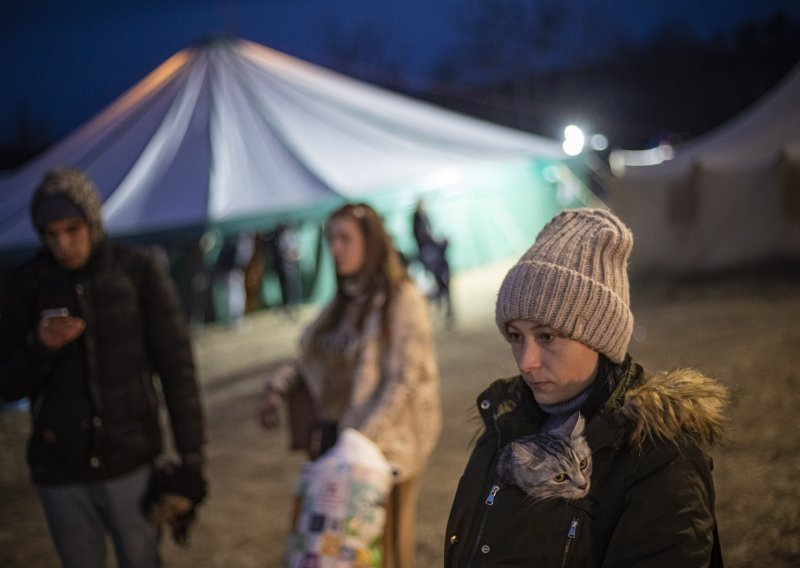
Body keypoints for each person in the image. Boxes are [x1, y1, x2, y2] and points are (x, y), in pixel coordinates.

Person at [444, 208, 729, 567]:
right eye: (516, 336)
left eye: (547, 336)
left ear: (601, 339)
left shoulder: (659, 459)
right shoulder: (505, 426)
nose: (525, 361)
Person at [0, 167, 208, 568]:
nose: (64, 243)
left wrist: (191, 459)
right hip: (60, 467)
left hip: (130, 462)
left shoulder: (137, 270)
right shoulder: (27, 283)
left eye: (72, 229)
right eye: (51, 233)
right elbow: (8, 385)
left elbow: (177, 367)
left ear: (92, 220)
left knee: (142, 559)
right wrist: (39, 345)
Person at [258, 202, 442, 567]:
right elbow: (308, 355)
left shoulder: (402, 299)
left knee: (389, 545)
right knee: (347, 548)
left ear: (370, 243)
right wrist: (276, 389)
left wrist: (363, 440)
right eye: (331, 239)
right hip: (344, 446)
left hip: (392, 445)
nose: (336, 249)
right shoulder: (343, 303)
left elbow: (405, 378)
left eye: (345, 239)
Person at [412, 198, 452, 322]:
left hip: (432, 257)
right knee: (439, 286)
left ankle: (444, 310)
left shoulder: (422, 218)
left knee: (441, 286)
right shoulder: (418, 220)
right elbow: (424, 236)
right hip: (431, 257)